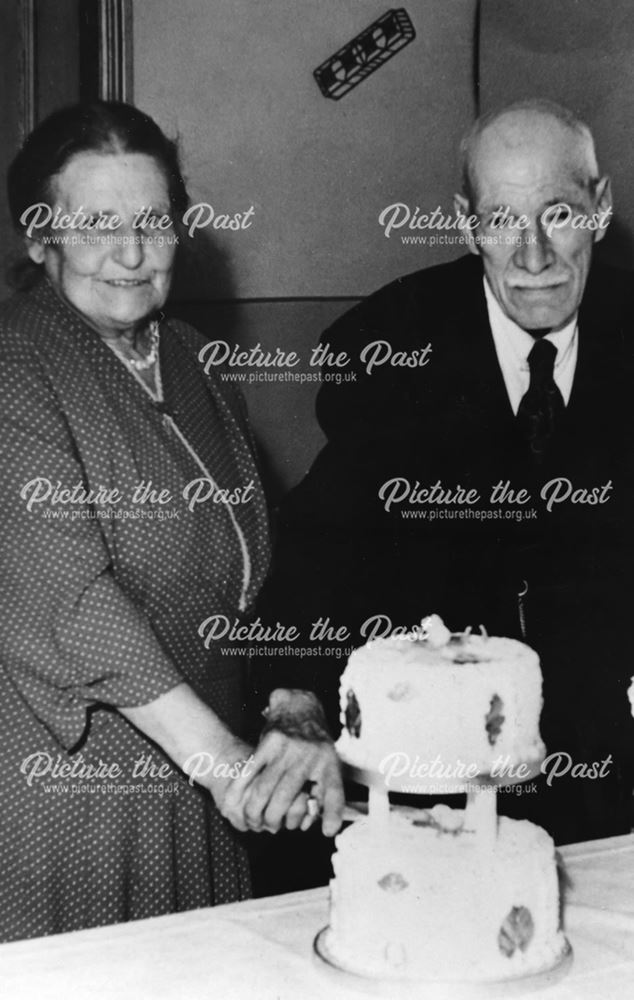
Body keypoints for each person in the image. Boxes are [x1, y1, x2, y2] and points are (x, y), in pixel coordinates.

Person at [0, 100, 343, 943]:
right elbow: (67, 603)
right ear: (39, 237)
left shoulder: (192, 359)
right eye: (96, 224)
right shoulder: (14, 363)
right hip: (69, 799)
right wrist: (226, 765)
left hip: (202, 790)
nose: (130, 251)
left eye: (153, 220)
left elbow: (252, 577)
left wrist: (289, 716)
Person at [255, 99, 634, 848]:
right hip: (435, 796)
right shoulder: (390, 349)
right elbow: (320, 547)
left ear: (602, 206)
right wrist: (295, 702)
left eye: (558, 212)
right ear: (467, 224)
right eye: (501, 220)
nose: (533, 256)